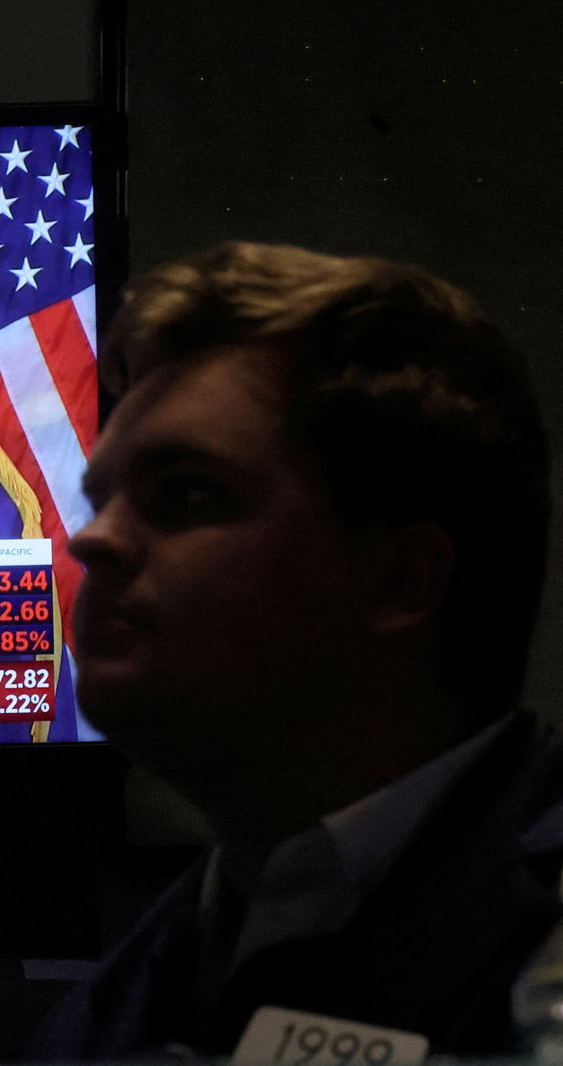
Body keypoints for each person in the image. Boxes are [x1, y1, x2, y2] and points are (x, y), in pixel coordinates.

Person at [30, 241, 563, 1059]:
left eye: (186, 494)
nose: (92, 540)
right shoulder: (117, 1004)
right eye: (101, 499)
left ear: (401, 580)